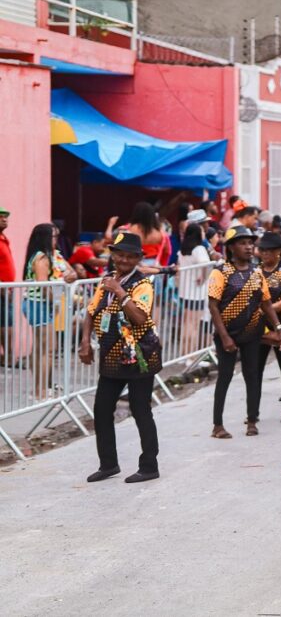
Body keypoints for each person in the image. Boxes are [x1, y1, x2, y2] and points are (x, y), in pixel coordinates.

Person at [78, 231, 163, 483]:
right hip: (111, 356)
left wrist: (120, 292)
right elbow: (92, 312)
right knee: (102, 410)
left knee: (140, 410)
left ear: (138, 258)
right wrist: (85, 342)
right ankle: (108, 464)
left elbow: (139, 317)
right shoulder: (106, 281)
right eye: (119, 255)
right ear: (112, 255)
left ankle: (149, 466)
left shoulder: (142, 285)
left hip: (140, 357)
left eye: (129, 256)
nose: (123, 260)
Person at [208, 226, 281, 439]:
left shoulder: (256, 273)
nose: (249, 247)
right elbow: (213, 306)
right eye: (242, 243)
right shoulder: (220, 272)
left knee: (252, 376)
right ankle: (217, 425)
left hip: (253, 334)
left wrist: (277, 327)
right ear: (231, 248)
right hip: (227, 335)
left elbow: (266, 303)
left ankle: (252, 420)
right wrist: (224, 337)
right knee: (224, 377)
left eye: (251, 243)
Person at [22, 223, 76, 399]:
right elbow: (44, 286)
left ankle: (40, 389)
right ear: (44, 237)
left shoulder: (55, 255)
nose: (57, 240)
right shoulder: (41, 257)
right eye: (54, 236)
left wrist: (68, 278)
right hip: (39, 304)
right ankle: (40, 391)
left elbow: (71, 272)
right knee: (47, 349)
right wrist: (58, 299)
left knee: (40, 348)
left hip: (44, 304)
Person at [254, 232, 281, 423]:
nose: (265, 254)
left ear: (279, 251)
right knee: (254, 369)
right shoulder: (255, 271)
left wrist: (267, 308)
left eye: (269, 250)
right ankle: (252, 412)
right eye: (262, 250)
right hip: (258, 326)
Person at [177, 223, 212, 357]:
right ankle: (191, 357)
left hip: (185, 291)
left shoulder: (183, 250)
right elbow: (207, 265)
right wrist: (203, 278)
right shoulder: (199, 249)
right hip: (196, 292)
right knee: (194, 324)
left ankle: (184, 354)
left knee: (187, 323)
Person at [106, 202, 169, 268]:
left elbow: (109, 238)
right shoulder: (161, 233)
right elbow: (167, 252)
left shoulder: (127, 229)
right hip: (153, 266)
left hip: (133, 264)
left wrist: (111, 224)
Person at [0, 206, 12, 362]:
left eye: (6, 217)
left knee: (6, 322)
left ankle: (6, 356)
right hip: (2, 289)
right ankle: (7, 357)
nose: (4, 219)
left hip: (6, 289)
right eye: (1, 216)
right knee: (6, 322)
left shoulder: (3, 238)